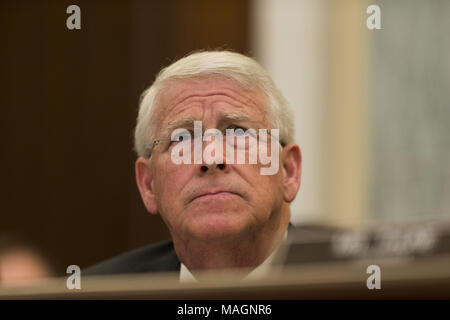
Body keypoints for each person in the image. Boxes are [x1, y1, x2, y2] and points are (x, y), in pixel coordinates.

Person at [84, 50, 302, 281]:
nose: (211, 159)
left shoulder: (343, 283)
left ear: (288, 171)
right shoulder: (96, 292)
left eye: (237, 132)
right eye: (182, 139)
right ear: (148, 184)